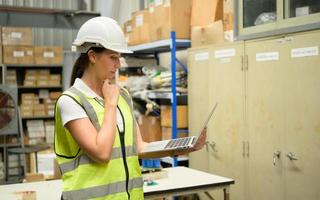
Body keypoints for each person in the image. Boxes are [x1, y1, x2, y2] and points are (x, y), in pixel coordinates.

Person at [54, 16, 207, 200]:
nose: (118, 65)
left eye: (119, 58)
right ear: (92, 56)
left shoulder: (123, 96)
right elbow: (101, 152)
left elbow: (140, 147)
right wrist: (110, 104)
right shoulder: (71, 101)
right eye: (113, 58)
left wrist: (180, 147)